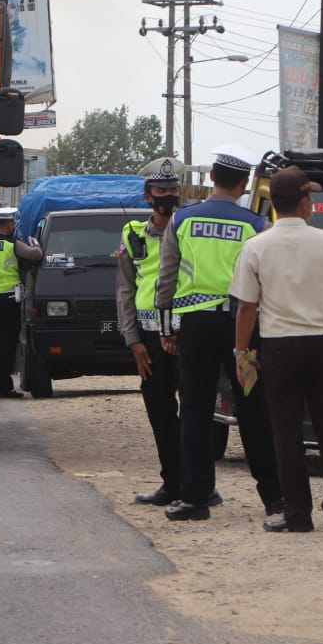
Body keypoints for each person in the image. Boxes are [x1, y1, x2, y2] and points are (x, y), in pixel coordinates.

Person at [231, 166, 323, 532]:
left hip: (278, 349)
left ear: (274, 203)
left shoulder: (256, 246)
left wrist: (241, 351)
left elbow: (246, 307)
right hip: (322, 346)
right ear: (305, 202)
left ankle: (297, 515)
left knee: (286, 433)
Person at [155, 149, 283, 522]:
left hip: (195, 327)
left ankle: (195, 500)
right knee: (253, 408)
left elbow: (167, 278)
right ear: (244, 186)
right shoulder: (256, 224)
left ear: (211, 176)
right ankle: (274, 498)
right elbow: (266, 282)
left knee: (195, 410)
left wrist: (167, 330)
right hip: (242, 329)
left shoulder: (182, 219)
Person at [117, 157, 218, 507]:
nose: (167, 196)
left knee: (195, 410)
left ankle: (204, 486)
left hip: (187, 331)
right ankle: (172, 483)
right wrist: (133, 341)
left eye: (173, 190)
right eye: (160, 190)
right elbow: (125, 291)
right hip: (148, 337)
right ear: (147, 196)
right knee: (160, 411)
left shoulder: (191, 227)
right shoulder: (132, 235)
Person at [0, 206, 40, 398]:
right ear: (9, 225)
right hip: (9, 300)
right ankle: (4, 387)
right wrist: (35, 244)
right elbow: (35, 256)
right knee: (7, 345)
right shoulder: (12, 244)